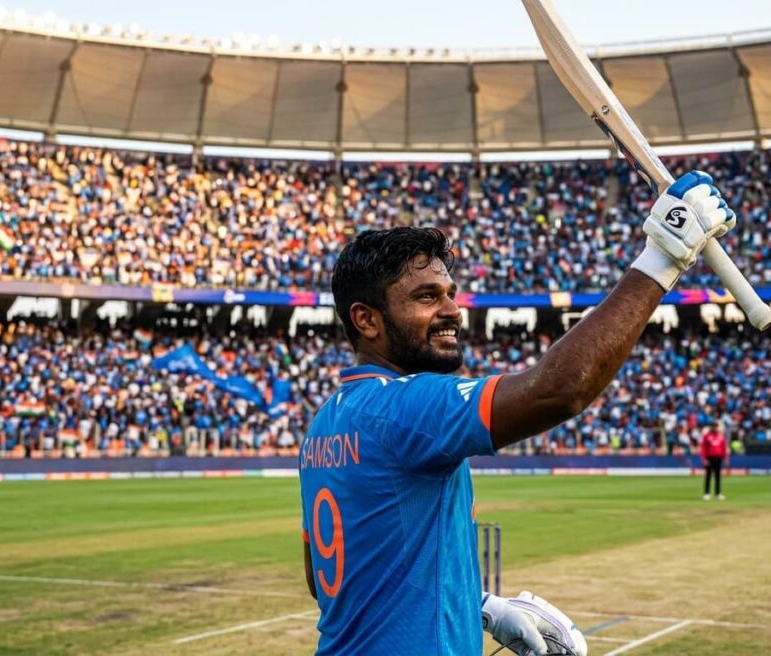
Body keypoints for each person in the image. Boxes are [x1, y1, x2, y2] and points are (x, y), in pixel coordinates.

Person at [298, 171, 736, 655]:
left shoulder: (327, 423)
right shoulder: (405, 405)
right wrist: (662, 258)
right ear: (366, 320)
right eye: (426, 297)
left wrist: (479, 604)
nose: (451, 310)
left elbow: (327, 580)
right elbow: (559, 389)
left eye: (450, 293)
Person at [700, 421, 730, 500]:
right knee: (708, 476)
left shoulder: (721, 436)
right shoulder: (707, 436)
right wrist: (704, 459)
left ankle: (718, 494)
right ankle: (706, 493)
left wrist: (725, 458)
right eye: (714, 426)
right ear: (711, 427)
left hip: (718, 458)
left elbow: (724, 448)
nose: (715, 428)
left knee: (717, 477)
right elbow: (704, 448)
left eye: (716, 426)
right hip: (710, 458)